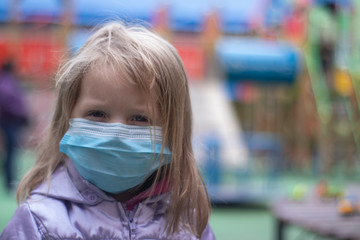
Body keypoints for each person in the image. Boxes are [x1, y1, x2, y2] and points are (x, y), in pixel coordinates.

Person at [0, 22, 215, 239]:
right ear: (67, 117)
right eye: (97, 114)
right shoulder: (39, 222)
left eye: (140, 118)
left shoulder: (189, 220)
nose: (116, 133)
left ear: (174, 130)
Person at [0, 60, 29, 193]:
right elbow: (10, 102)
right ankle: (10, 181)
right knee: (11, 153)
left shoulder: (6, 81)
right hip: (10, 122)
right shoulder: (8, 82)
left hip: (8, 121)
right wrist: (22, 115)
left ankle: (9, 180)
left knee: (10, 152)